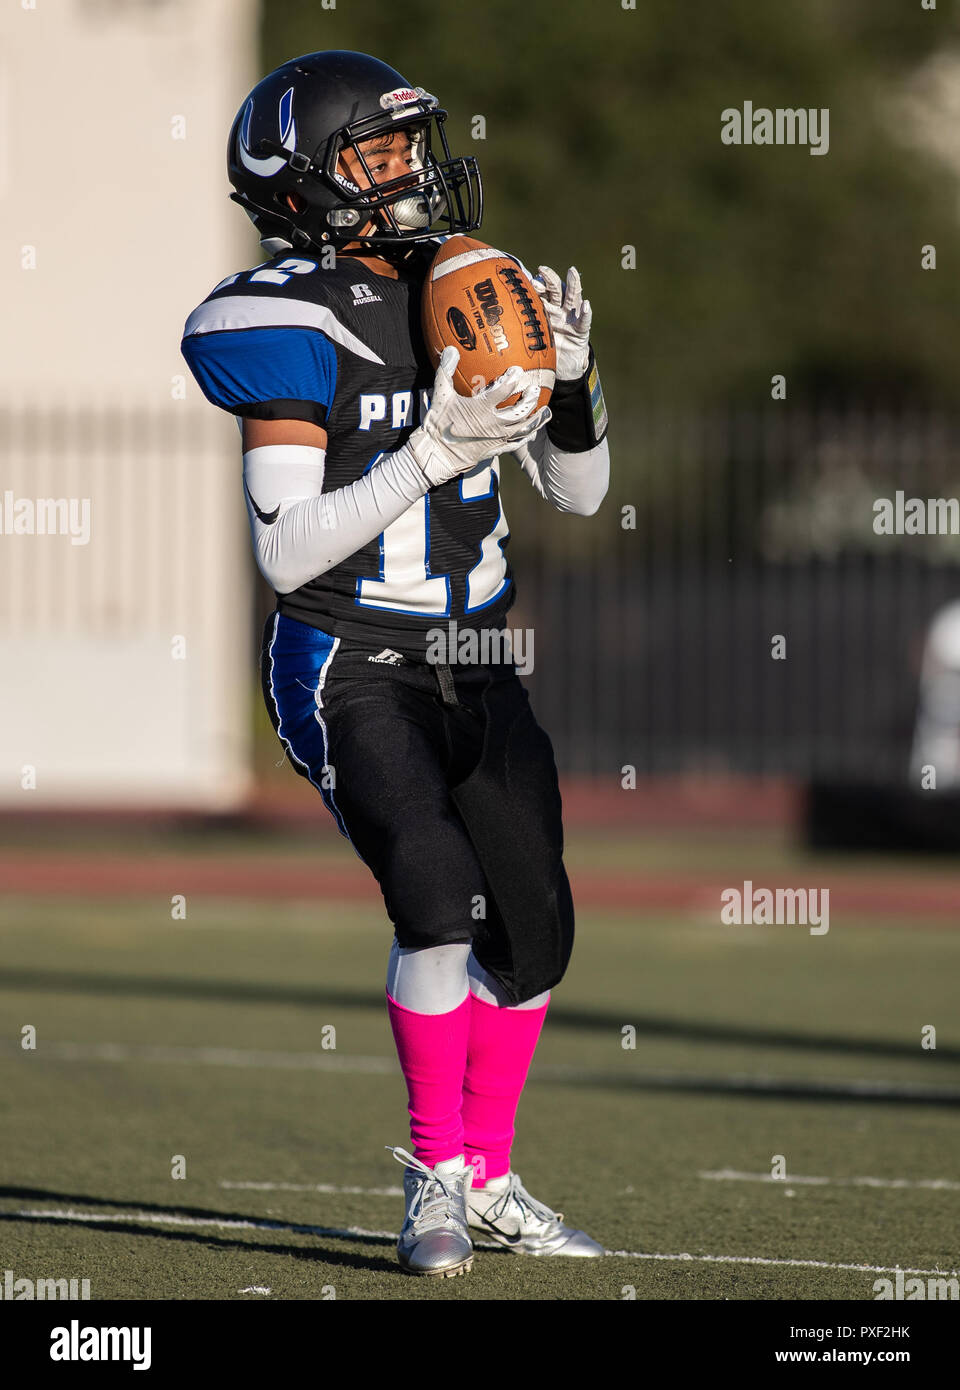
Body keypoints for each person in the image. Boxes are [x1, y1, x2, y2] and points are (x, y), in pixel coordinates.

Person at [181, 49, 610, 1278]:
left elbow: (581, 495)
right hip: (349, 656)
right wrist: (429, 447)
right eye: (380, 154)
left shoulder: (474, 285)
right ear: (305, 182)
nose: (413, 172)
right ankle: (431, 1176)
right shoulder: (281, 318)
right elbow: (284, 548)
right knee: (435, 893)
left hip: (476, 655)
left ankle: (487, 1174)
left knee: (532, 935)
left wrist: (571, 389)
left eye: (413, 147)